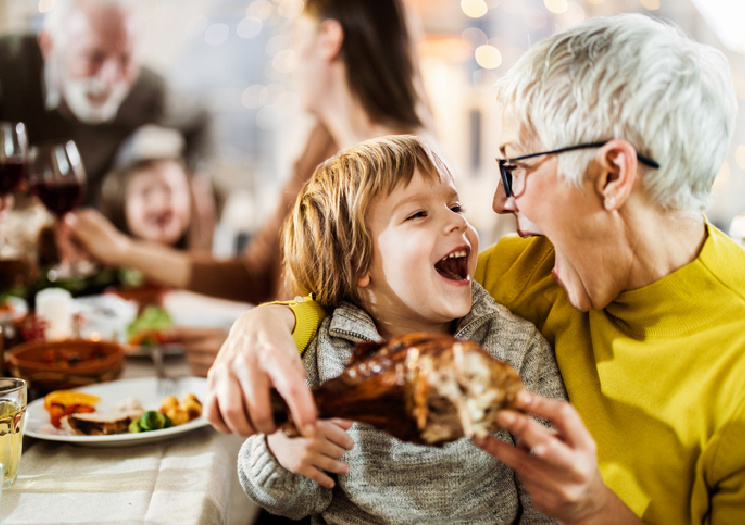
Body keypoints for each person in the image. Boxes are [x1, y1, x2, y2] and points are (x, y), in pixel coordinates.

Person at [204, 13, 745, 524]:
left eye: (516, 169)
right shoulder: (526, 269)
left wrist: (594, 510)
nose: (497, 203)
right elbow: (370, 291)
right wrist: (265, 325)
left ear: (611, 175)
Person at [66, 0, 429, 376]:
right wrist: (121, 250)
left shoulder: (409, 172)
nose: (289, 62)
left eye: (294, 40)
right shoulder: (321, 142)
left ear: (328, 40)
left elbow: (387, 342)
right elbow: (257, 273)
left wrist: (264, 351)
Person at [239, 134, 565, 523]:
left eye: (454, 204)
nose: (458, 221)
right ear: (359, 264)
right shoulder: (322, 360)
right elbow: (288, 500)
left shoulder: (514, 346)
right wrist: (279, 452)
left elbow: (550, 495)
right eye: (418, 215)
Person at [0, 0, 210, 208]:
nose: (110, 78)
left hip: (80, 214)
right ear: (49, 45)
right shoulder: (7, 66)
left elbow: (201, 118)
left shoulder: (143, 91)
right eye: (95, 57)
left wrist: (195, 183)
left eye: (125, 60)